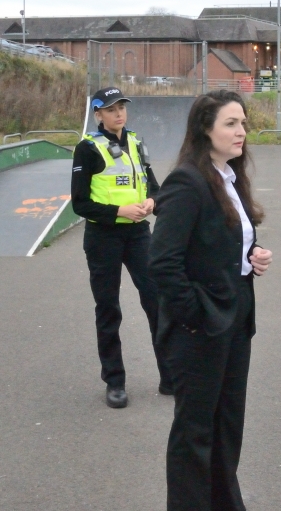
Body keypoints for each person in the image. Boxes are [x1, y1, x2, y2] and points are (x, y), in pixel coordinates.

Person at [149, 90, 273, 511]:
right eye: (230, 124)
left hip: (235, 317)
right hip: (201, 326)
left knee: (226, 425)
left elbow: (221, 242)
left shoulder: (230, 177)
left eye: (242, 123)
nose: (241, 132)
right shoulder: (188, 181)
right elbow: (163, 263)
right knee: (195, 432)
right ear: (206, 129)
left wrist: (252, 256)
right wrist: (195, 316)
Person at [71, 86, 171, 408]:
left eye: (122, 107)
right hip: (103, 237)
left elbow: (153, 184)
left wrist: (153, 201)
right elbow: (80, 203)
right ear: (97, 113)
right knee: (109, 308)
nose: (119, 113)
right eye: (112, 108)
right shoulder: (87, 149)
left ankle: (170, 374)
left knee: (157, 300)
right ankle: (114, 381)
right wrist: (118, 212)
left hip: (139, 233)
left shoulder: (136, 142)